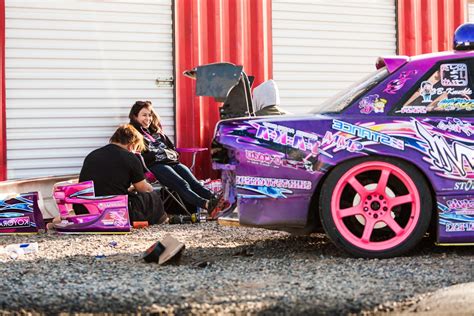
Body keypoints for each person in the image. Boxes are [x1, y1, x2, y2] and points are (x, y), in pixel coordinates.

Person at [128, 100, 220, 214]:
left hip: (172, 162)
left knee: (195, 183)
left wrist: (172, 154)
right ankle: (207, 205)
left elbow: (172, 148)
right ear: (135, 116)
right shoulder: (133, 133)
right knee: (182, 184)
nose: (148, 118)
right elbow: (133, 153)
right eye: (144, 115)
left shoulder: (156, 132)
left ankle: (218, 201)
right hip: (155, 166)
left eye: (150, 115)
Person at [75, 124, 167, 225]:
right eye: (136, 147)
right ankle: (163, 221)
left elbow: (105, 185)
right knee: (152, 195)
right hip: (115, 211)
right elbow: (144, 189)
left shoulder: (92, 155)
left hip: (85, 210)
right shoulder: (130, 158)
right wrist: (150, 189)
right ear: (131, 144)